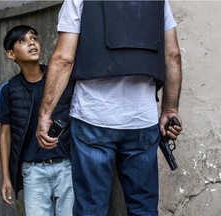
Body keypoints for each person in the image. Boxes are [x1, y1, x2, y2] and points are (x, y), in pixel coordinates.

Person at [36, 0, 183, 216]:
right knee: (144, 207)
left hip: (92, 117)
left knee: (91, 208)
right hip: (142, 120)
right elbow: (173, 56)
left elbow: (63, 59)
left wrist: (45, 113)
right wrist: (170, 110)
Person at [0, 25, 74, 216]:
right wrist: (6, 177)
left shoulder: (59, 79)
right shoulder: (9, 89)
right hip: (33, 171)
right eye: (22, 41)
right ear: (11, 55)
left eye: (34, 38)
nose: (31, 43)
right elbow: (5, 135)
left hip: (66, 167)